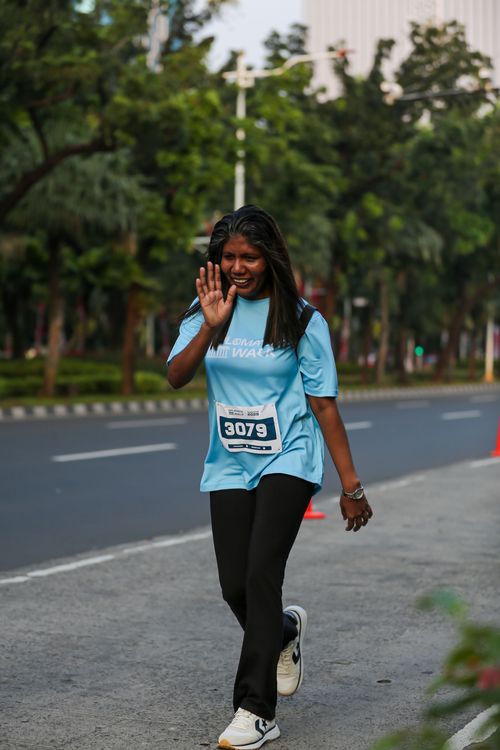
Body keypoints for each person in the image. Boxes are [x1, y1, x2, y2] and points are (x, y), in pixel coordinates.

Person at [167, 204, 373, 750]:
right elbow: (176, 376)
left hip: (289, 456)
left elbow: (323, 405)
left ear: (271, 258)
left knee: (261, 574)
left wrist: (350, 486)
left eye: (250, 257)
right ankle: (284, 631)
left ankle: (255, 710)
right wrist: (209, 328)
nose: (238, 267)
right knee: (234, 585)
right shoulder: (207, 308)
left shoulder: (301, 320)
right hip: (229, 460)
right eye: (229, 256)